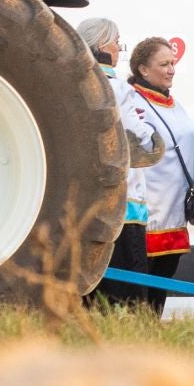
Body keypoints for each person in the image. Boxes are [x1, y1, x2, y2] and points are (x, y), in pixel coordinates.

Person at [123, 36, 194, 294]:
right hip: (145, 218)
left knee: (159, 290)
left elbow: (191, 156)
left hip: (175, 218)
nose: (172, 69)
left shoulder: (174, 104)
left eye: (172, 63)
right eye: (164, 64)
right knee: (139, 295)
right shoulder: (131, 102)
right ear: (143, 69)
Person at [77, 19, 163, 305]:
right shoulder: (115, 86)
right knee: (126, 290)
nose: (118, 50)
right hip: (124, 204)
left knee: (91, 283)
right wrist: (152, 134)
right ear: (102, 45)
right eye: (117, 43)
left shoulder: (74, 81)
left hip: (85, 202)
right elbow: (141, 138)